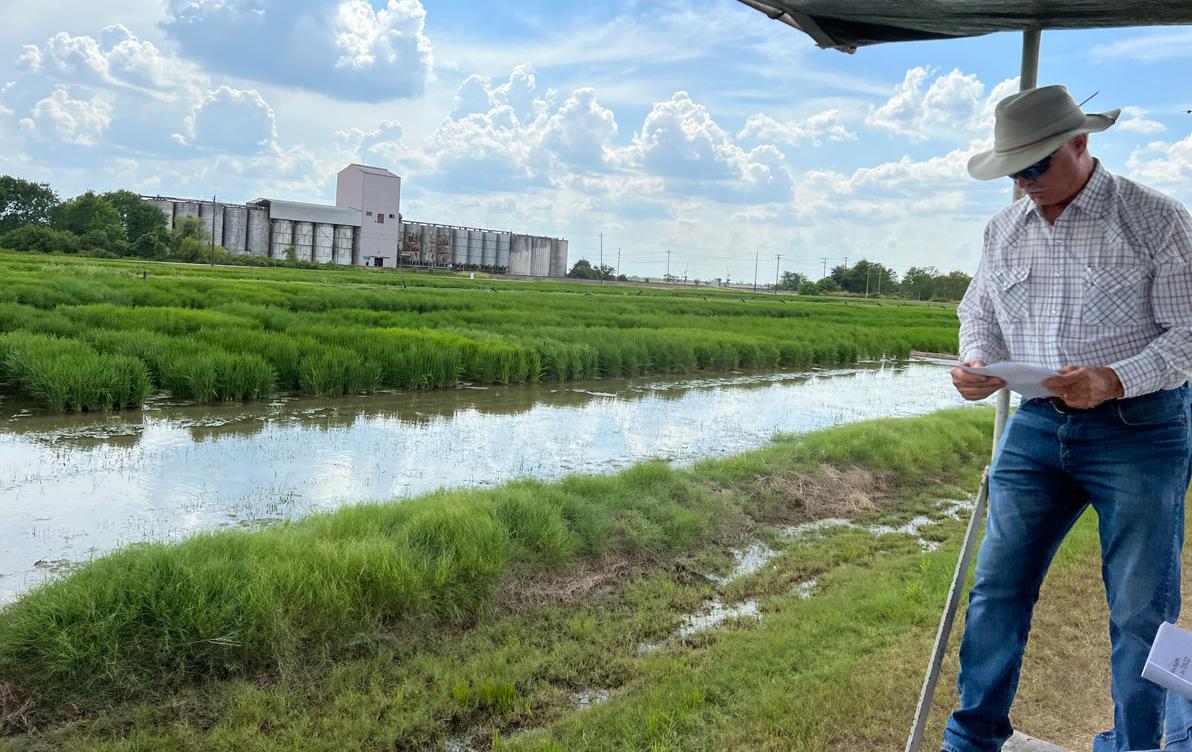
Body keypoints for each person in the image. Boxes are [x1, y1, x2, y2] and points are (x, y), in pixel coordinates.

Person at [944, 85, 1192, 752]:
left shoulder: (1157, 219)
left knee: (1142, 611)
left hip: (1141, 430)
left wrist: (1113, 379)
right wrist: (978, 363)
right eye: (1014, 171)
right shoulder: (1004, 230)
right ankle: (973, 738)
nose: (1024, 184)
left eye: (1035, 167)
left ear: (1081, 144)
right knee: (997, 586)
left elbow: (1188, 335)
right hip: (1035, 425)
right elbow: (980, 314)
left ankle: (1135, 745)